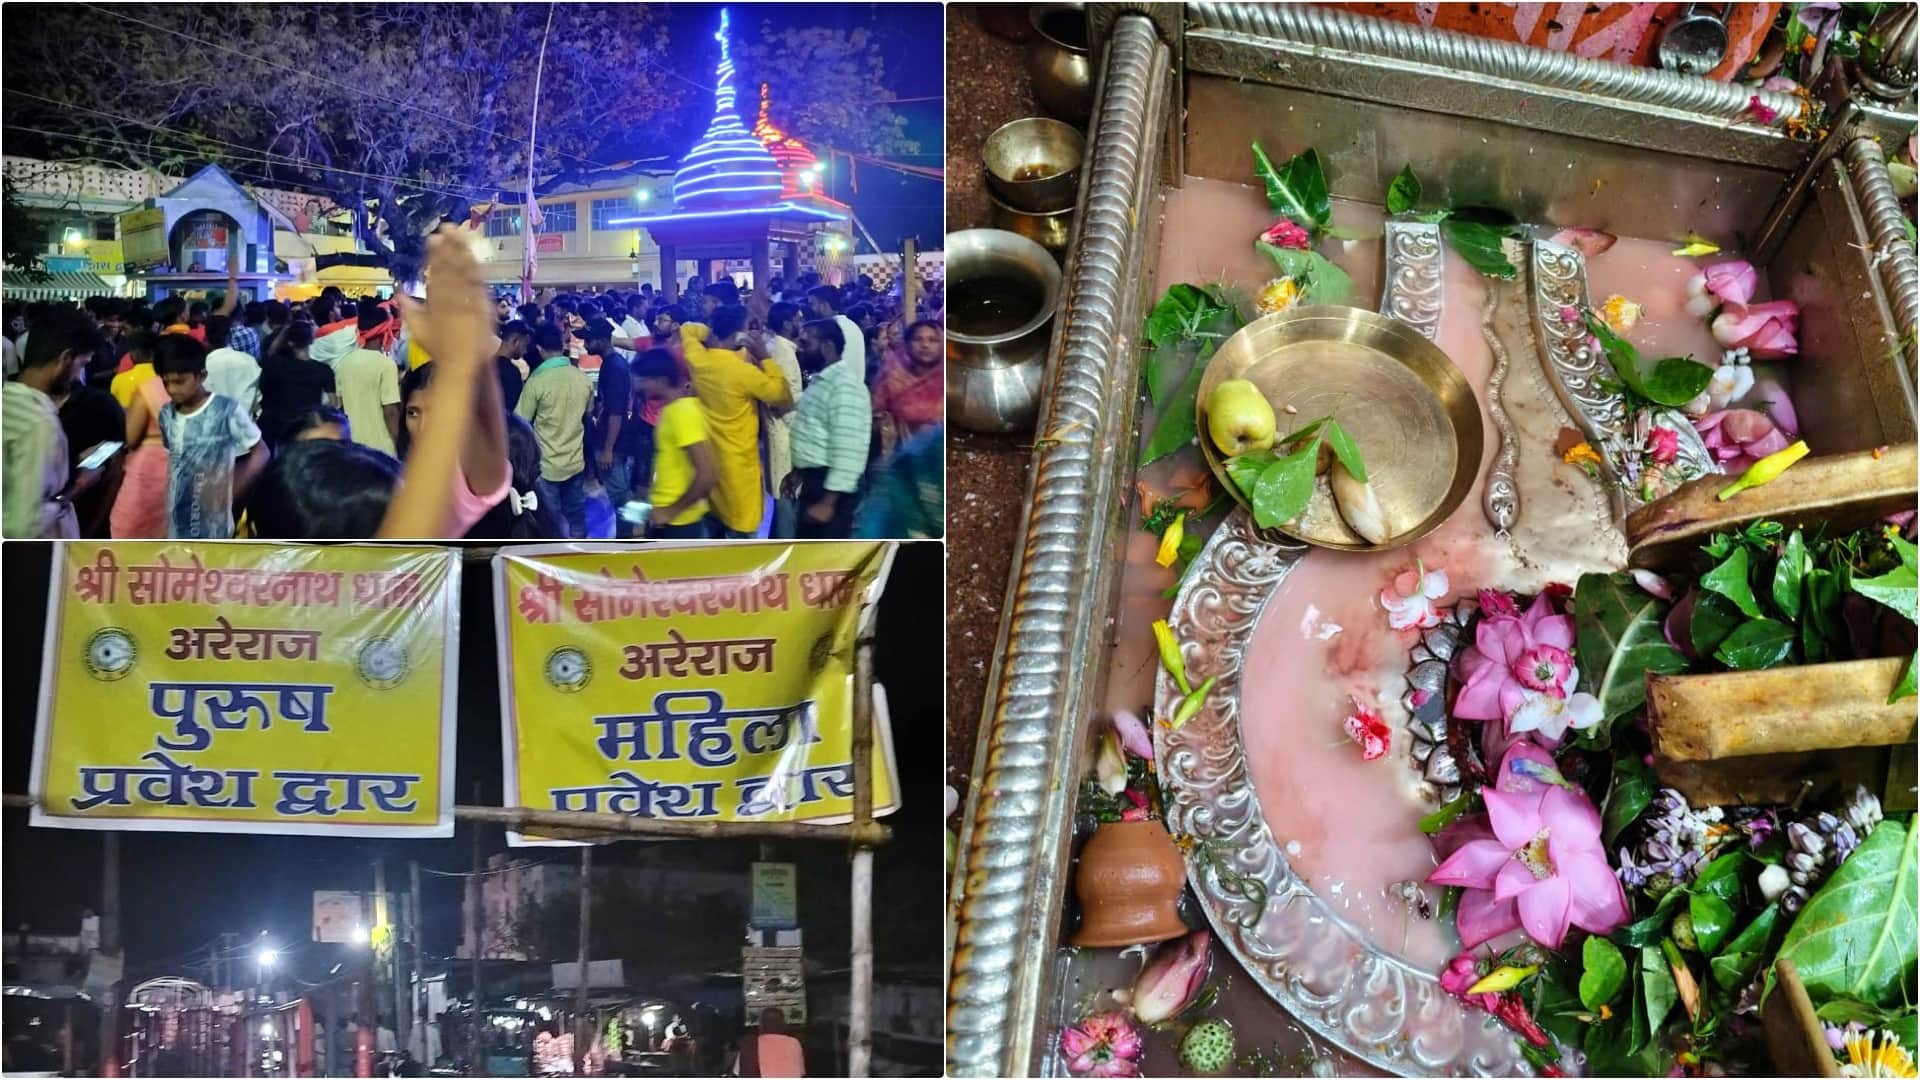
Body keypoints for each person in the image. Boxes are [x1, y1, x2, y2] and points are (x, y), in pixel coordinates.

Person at [680, 304, 793, 538]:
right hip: (738, 473)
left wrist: (712, 333)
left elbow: (688, 329)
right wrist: (765, 358)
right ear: (739, 335)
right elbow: (782, 396)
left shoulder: (697, 359)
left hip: (707, 467)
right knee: (741, 544)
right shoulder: (744, 373)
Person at [153, 334, 269, 539]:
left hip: (215, 520)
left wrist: (233, 488)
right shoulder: (166, 414)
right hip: (177, 517)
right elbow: (173, 463)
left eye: (179, 382)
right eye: (166, 383)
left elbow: (261, 453)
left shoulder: (226, 410)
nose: (172, 390)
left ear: (201, 376)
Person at [4, 307, 101, 538]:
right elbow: (25, 525)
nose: (79, 374)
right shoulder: (38, 423)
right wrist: (78, 486)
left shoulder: (8, 400)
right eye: (82, 364)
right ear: (65, 359)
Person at [784, 318, 871, 538]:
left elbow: (849, 449)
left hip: (831, 490)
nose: (800, 349)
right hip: (814, 482)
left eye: (806, 343)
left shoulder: (844, 386)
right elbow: (815, 432)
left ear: (827, 347)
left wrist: (828, 502)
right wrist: (798, 472)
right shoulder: (823, 381)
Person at [514, 324, 594, 538]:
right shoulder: (582, 379)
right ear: (562, 346)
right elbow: (588, 418)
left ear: (539, 349)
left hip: (546, 465)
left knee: (550, 520)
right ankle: (581, 549)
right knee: (576, 516)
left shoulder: (536, 382)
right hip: (575, 462)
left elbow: (520, 423)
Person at [631, 348, 716, 538]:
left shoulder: (681, 412)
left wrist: (671, 511)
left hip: (679, 523)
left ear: (660, 381)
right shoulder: (673, 410)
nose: (640, 386)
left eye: (644, 380)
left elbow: (707, 474)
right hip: (668, 516)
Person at [56, 337, 127, 537]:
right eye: (83, 363)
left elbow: (114, 469)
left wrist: (93, 530)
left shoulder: (101, 405)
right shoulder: (18, 405)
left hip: (84, 520)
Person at [113, 332, 173, 538]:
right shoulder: (193, 388)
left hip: (148, 470)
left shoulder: (144, 388)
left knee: (135, 529)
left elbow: (130, 438)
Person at [584, 318, 636, 534]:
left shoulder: (614, 367)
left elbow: (616, 412)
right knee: (620, 494)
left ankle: (628, 540)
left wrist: (607, 449)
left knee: (621, 496)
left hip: (613, 442)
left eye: (589, 340)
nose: (585, 344)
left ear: (603, 340)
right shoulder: (612, 363)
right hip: (612, 439)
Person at [258, 321, 339, 447]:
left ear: (289, 342)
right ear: (311, 341)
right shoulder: (322, 370)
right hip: (307, 426)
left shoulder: (275, 364)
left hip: (278, 425)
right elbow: (333, 403)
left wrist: (284, 333)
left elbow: (270, 354)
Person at [335, 307, 404, 456]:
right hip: (381, 449)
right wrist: (400, 444)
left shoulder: (344, 363)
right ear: (384, 332)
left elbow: (341, 405)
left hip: (352, 447)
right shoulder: (386, 365)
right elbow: (390, 412)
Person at [763, 302, 806, 536]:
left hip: (782, 429)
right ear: (787, 324)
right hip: (784, 430)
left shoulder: (779, 347)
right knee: (786, 494)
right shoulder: (783, 353)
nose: (802, 323)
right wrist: (810, 394)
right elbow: (781, 398)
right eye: (798, 319)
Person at [872, 319, 944, 456]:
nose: (925, 345)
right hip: (901, 458)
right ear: (907, 344)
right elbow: (875, 415)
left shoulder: (950, 380)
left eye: (933, 340)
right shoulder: (890, 379)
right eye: (918, 339)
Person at [203, 314, 262, 419]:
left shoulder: (202, 367)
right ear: (230, 336)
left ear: (206, 339)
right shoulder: (249, 361)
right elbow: (257, 401)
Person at [735, 1008, 803, 1078]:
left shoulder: (749, 1044)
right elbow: (800, 1072)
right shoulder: (794, 1043)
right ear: (783, 1024)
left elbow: (737, 1072)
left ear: (761, 1025)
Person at [494, 321, 531, 411]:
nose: (525, 351)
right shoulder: (512, 374)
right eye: (524, 346)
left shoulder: (484, 365)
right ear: (515, 341)